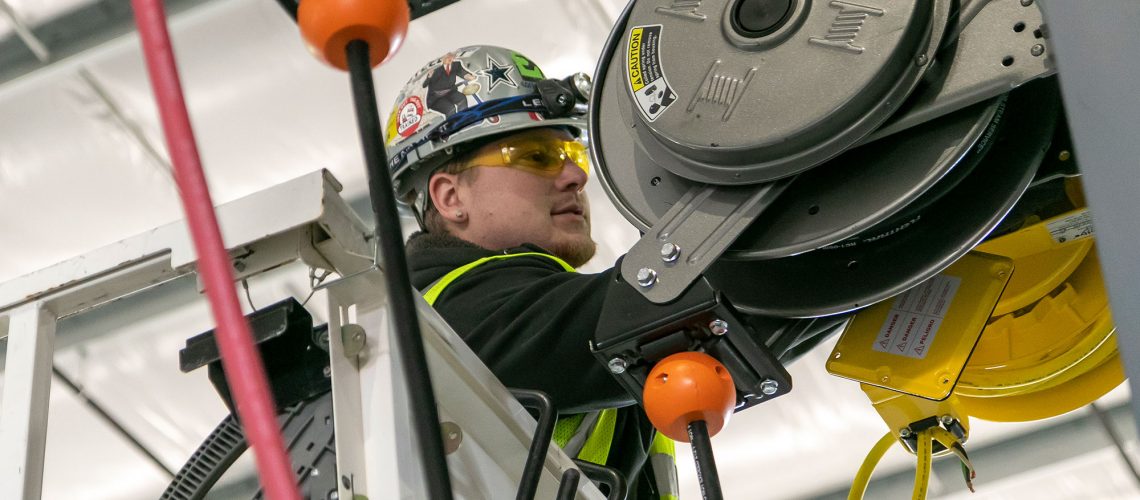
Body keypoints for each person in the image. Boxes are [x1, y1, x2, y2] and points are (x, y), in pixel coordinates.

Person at [386, 45, 677, 499]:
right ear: (449, 197)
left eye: (572, 156)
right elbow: (660, 304)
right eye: (535, 156)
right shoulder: (445, 318)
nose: (575, 177)